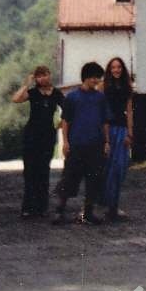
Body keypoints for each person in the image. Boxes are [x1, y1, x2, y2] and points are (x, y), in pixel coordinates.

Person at [53, 61, 110, 225]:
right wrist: (65, 142)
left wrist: (107, 141)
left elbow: (105, 121)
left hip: (96, 144)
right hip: (77, 144)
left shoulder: (100, 98)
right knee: (69, 178)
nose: (96, 81)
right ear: (86, 77)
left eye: (98, 78)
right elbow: (66, 121)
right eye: (94, 78)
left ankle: (88, 212)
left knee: (94, 180)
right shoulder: (72, 97)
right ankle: (59, 210)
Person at [9, 65, 64, 218]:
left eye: (44, 75)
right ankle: (28, 208)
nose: (42, 78)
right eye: (39, 76)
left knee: (43, 171)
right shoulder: (32, 93)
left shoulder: (57, 94)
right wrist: (27, 83)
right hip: (31, 136)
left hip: (47, 137)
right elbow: (15, 99)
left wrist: (60, 124)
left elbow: (68, 110)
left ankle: (41, 207)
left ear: (49, 75)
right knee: (30, 172)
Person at [100, 57, 135, 221]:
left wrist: (130, 132)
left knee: (120, 168)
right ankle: (107, 206)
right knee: (108, 169)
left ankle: (114, 205)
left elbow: (129, 110)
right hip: (107, 129)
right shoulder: (103, 87)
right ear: (109, 69)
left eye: (119, 67)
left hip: (121, 129)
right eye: (113, 67)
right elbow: (101, 111)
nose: (116, 70)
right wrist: (105, 137)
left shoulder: (127, 88)